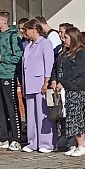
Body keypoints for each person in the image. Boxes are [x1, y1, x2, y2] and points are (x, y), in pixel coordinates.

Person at [51, 26, 85, 157]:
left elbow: (76, 71)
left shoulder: (82, 53)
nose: (64, 40)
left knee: (78, 117)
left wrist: (62, 82)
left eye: (66, 37)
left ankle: (82, 145)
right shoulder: (64, 53)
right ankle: (75, 143)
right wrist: (54, 80)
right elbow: (56, 67)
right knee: (70, 117)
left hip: (79, 89)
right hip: (68, 90)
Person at [0, 11, 24, 151]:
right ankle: (3, 138)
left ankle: (16, 138)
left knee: (11, 106)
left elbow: (19, 57)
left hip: (8, 75)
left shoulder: (13, 36)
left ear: (4, 21)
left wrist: (2, 58)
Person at [20, 19, 54, 153]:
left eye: (26, 30)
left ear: (34, 29)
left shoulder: (45, 43)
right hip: (29, 83)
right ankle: (33, 142)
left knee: (42, 113)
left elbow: (48, 64)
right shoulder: (28, 45)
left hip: (40, 82)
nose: (24, 33)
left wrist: (46, 82)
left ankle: (46, 143)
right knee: (31, 115)